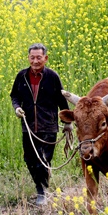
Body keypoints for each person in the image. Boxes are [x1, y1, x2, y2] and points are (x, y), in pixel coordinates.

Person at [10, 43, 72, 205]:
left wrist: (67, 123)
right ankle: (41, 186)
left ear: (45, 58)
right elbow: (14, 95)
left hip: (48, 126)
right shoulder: (21, 76)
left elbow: (62, 100)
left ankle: (42, 191)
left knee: (43, 160)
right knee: (29, 159)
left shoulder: (52, 77)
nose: (35, 61)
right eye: (32, 57)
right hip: (28, 126)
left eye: (39, 57)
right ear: (28, 58)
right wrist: (17, 108)